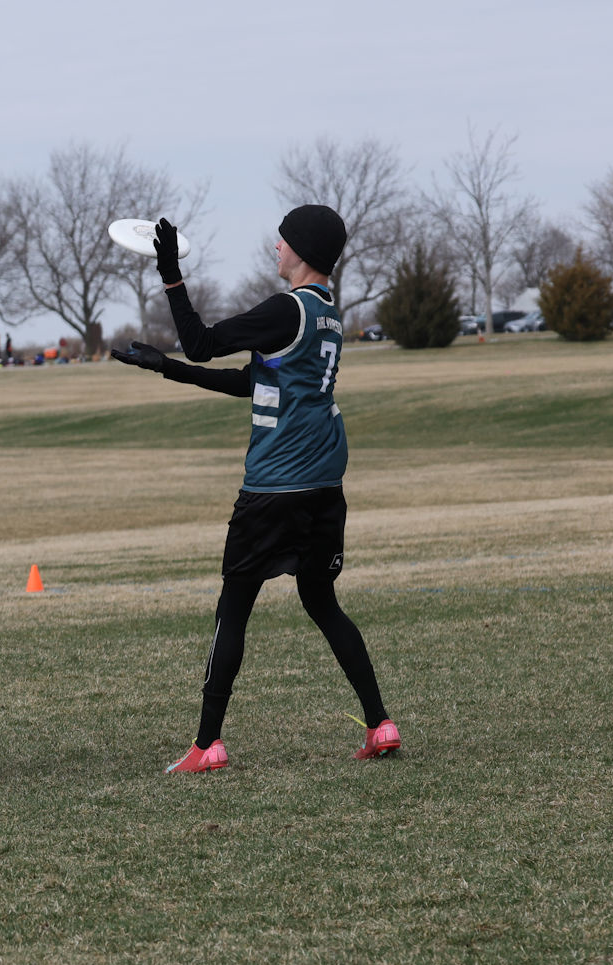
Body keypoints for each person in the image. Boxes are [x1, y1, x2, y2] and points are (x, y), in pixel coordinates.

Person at [112, 206, 399, 772]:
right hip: (324, 486)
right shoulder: (327, 316)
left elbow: (201, 342)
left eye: (282, 241)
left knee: (234, 607)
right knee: (322, 602)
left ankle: (206, 746)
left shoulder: (285, 309)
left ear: (301, 250)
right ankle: (380, 723)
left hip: (274, 488)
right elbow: (252, 382)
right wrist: (165, 367)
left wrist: (170, 274)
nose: (275, 248)